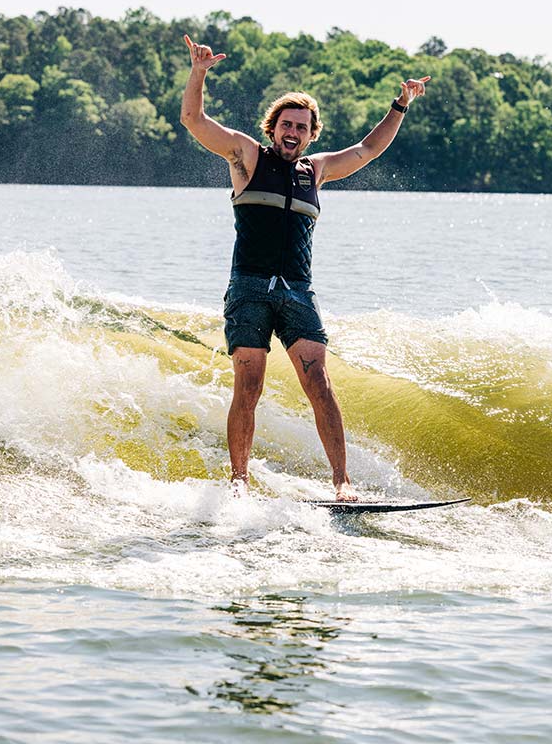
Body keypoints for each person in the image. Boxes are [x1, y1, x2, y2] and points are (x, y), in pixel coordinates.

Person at [180, 34, 430, 501]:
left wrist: (400, 104)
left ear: (312, 133)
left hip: (298, 291)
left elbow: (367, 150)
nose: (293, 132)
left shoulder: (315, 171)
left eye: (302, 127)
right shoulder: (247, 157)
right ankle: (239, 483)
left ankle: (342, 481)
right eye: (286, 125)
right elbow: (193, 120)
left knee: (319, 381)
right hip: (249, 288)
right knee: (248, 385)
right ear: (273, 127)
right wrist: (199, 73)